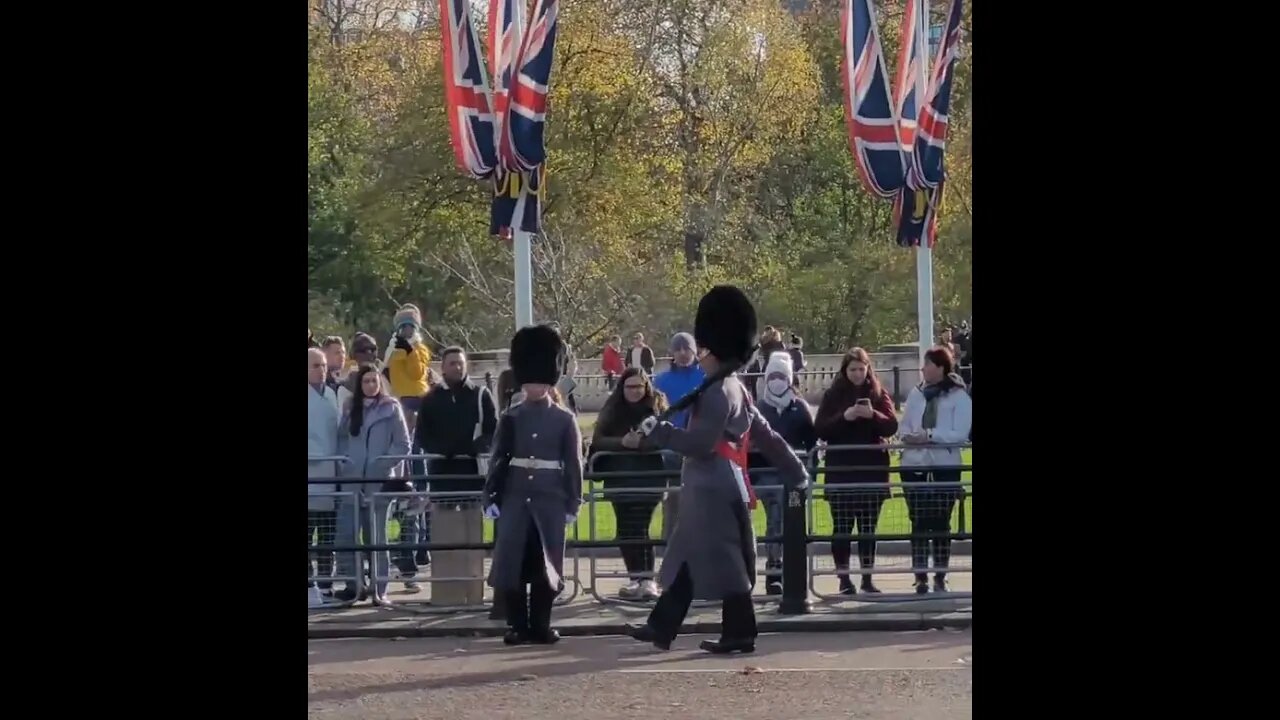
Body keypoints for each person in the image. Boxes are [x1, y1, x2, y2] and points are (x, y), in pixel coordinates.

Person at [624, 286, 808, 654]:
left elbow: (700, 443)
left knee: (725, 560)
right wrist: (796, 470)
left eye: (703, 350)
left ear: (712, 350)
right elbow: (767, 437)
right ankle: (661, 626)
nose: (699, 357)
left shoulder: (714, 391)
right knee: (691, 555)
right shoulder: (735, 387)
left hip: (711, 482)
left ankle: (740, 633)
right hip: (724, 479)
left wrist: (657, 432)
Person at [483, 325, 584, 645]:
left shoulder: (564, 419)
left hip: (549, 496)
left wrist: (574, 500)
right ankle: (517, 625)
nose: (534, 386)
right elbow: (498, 459)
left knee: (547, 564)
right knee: (513, 562)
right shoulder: (511, 416)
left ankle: (541, 623)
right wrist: (491, 496)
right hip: (515, 496)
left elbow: (574, 463)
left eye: (540, 379)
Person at [814, 348, 899, 594]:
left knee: (867, 528)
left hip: (871, 470)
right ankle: (844, 579)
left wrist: (873, 415)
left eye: (862, 369)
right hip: (842, 470)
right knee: (842, 527)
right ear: (845, 370)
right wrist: (845, 416)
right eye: (853, 369)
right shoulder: (833, 395)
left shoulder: (878, 392)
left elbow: (891, 425)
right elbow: (820, 428)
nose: (858, 374)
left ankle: (867, 578)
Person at [413, 347, 499, 576]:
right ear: (442, 367)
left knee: (473, 525)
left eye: (460, 363)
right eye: (452, 363)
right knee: (443, 526)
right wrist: (444, 450)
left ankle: (473, 577)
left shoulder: (480, 395)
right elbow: (422, 435)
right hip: (442, 474)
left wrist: (475, 447)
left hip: (471, 473)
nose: (457, 367)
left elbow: (493, 431)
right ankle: (445, 578)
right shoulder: (431, 399)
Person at [332, 364, 411, 605]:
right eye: (366, 381)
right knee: (345, 537)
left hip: (378, 484)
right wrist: (346, 462)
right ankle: (354, 586)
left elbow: (403, 444)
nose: (370, 386)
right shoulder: (350, 409)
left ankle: (380, 590)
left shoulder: (391, 408)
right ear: (360, 385)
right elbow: (342, 440)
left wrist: (383, 464)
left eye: (374, 381)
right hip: (352, 482)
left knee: (377, 540)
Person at [590, 368, 668, 600]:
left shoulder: (656, 408)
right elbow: (599, 440)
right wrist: (622, 442)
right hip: (619, 476)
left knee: (640, 526)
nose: (634, 391)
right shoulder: (612, 409)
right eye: (629, 387)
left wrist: (641, 444)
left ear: (646, 387)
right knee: (625, 529)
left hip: (649, 477)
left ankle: (647, 579)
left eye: (638, 386)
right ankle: (635, 578)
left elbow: (666, 437)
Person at [899, 346, 971, 594]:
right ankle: (920, 576)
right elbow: (905, 425)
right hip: (914, 465)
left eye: (928, 364)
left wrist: (930, 435)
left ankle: (940, 574)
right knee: (918, 521)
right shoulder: (916, 394)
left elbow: (959, 434)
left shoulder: (958, 397)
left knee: (940, 522)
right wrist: (909, 436)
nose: (923, 369)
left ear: (941, 367)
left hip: (943, 466)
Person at [748, 351, 816, 595]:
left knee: (787, 524)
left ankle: (786, 570)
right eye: (773, 375)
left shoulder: (800, 408)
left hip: (791, 477)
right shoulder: (759, 409)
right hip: (765, 475)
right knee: (774, 523)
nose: (777, 380)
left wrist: (811, 473)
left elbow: (812, 443)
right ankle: (774, 570)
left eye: (781, 376)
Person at [652, 333, 705, 544]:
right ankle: (670, 553)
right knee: (673, 502)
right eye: (678, 349)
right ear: (672, 353)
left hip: (699, 446)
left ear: (695, 351)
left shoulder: (706, 377)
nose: (683, 353)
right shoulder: (662, 380)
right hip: (673, 448)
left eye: (687, 349)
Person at [308, 348, 341, 601]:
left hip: (332, 476)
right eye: (315, 366)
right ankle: (310, 586)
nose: (321, 370)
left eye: (323, 365)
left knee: (328, 535)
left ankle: (326, 582)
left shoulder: (331, 394)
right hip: (311, 474)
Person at [385, 304, 432, 427]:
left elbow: (417, 374)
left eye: (410, 326)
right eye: (403, 327)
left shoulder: (420, 349)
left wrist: (410, 352)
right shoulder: (392, 349)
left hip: (417, 398)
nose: (407, 330)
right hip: (399, 398)